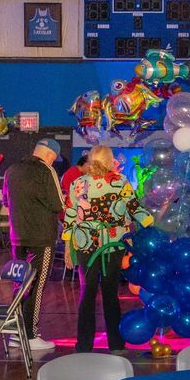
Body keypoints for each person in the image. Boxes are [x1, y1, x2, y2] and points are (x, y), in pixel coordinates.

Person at [66, 146, 136, 353]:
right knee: (110, 293)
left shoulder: (77, 183)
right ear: (109, 161)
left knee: (86, 294)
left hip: (84, 244)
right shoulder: (120, 182)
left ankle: (84, 345)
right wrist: (144, 228)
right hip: (111, 245)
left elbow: (71, 215)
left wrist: (69, 246)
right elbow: (132, 211)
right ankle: (116, 344)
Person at [3, 139, 64, 351]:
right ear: (49, 156)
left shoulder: (12, 170)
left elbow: (4, 201)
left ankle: (15, 334)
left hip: (17, 236)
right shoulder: (46, 170)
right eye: (54, 159)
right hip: (41, 237)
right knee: (36, 286)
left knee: (20, 284)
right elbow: (58, 204)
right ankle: (30, 335)